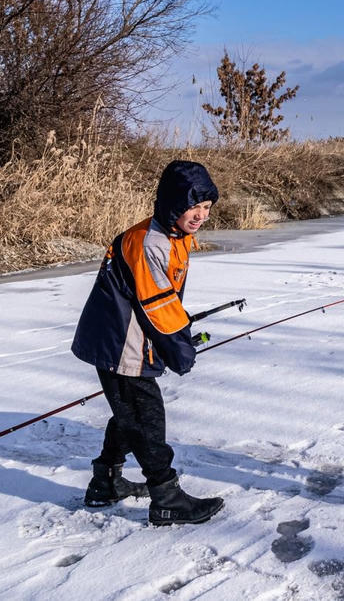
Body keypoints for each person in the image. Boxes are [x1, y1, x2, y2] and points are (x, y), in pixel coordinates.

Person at [71, 160, 225, 526]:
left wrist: (178, 333)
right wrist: (179, 347)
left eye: (206, 208)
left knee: (128, 414)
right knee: (145, 417)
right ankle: (166, 496)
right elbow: (157, 303)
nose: (201, 215)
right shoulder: (149, 242)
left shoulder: (174, 234)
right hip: (120, 341)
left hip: (128, 336)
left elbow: (164, 298)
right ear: (174, 202)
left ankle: (104, 483)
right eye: (195, 206)